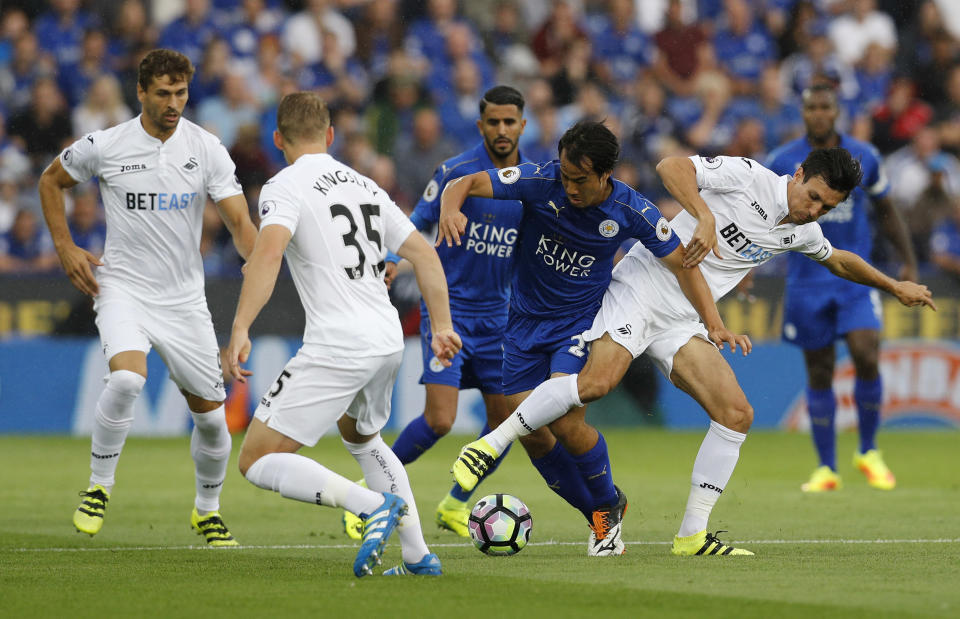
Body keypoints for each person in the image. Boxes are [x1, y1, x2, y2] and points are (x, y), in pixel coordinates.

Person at [450, 148, 935, 557]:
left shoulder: (801, 231)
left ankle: (691, 535)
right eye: (811, 197)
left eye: (824, 208)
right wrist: (703, 214)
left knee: (736, 412)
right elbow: (671, 167)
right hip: (640, 289)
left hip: (684, 319)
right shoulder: (749, 177)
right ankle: (492, 443)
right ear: (799, 175)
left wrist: (894, 285)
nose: (812, 211)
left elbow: (838, 259)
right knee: (598, 384)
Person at [439, 120, 738, 556]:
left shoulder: (630, 209)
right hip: (522, 324)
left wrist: (712, 322)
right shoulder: (540, 181)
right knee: (532, 432)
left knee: (564, 421)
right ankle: (603, 508)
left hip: (579, 325)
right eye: (565, 175)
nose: (570, 186)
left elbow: (684, 264)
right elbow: (463, 182)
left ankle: (602, 515)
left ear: (605, 175)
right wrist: (452, 207)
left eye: (579, 179)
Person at [224, 92, 461, 577]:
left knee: (256, 458)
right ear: (330, 136)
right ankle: (419, 557)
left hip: (339, 343)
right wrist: (442, 328)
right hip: (386, 340)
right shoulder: (367, 185)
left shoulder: (282, 187)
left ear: (277, 140)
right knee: (361, 435)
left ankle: (368, 504)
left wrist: (241, 325)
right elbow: (427, 254)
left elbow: (268, 257)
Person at [37, 49, 258, 545]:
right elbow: (51, 180)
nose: (173, 103)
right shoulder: (107, 144)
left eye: (180, 93)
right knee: (126, 380)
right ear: (141, 92)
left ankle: (207, 511)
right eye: (163, 93)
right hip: (123, 288)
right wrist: (66, 246)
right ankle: (98, 487)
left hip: (184, 300)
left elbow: (241, 224)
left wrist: (263, 261)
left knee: (212, 423)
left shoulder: (206, 149)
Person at [343, 85, 527, 539]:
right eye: (493, 122)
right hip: (451, 312)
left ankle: (455, 504)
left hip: (501, 319)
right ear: (480, 125)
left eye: (510, 122)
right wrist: (390, 260)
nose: (501, 130)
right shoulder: (456, 172)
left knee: (505, 422)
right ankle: (363, 497)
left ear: (523, 125)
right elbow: (415, 223)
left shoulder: (533, 180)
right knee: (440, 420)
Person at [767, 83, 918, 493]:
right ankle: (826, 468)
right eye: (811, 106)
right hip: (806, 280)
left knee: (867, 353)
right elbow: (761, 216)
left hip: (855, 278)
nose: (818, 113)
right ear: (803, 112)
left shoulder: (864, 157)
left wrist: (908, 259)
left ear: (837, 112)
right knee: (819, 371)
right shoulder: (782, 159)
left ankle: (868, 451)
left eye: (825, 107)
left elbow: (887, 210)